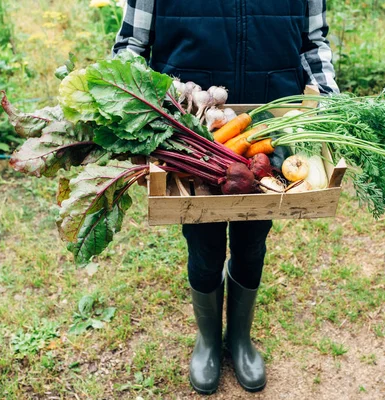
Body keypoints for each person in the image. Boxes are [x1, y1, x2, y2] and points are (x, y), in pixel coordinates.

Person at [112, 0, 339, 394]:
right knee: (204, 244)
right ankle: (207, 341)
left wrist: (335, 107)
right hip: (194, 130)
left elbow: (312, 44)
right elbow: (131, 46)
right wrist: (137, 110)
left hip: (268, 127)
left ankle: (239, 339)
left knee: (253, 242)